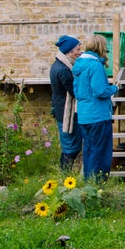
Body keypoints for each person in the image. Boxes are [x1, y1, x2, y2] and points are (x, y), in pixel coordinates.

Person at [72, 34, 119, 181]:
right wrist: (113, 88)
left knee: (89, 150)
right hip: (98, 115)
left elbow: (76, 91)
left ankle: (88, 182)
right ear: (101, 47)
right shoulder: (95, 66)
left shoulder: (78, 65)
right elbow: (100, 91)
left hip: (84, 115)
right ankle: (98, 183)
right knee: (101, 152)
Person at [49, 35, 83, 172]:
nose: (80, 52)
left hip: (61, 109)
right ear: (69, 51)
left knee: (70, 145)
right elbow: (74, 91)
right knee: (71, 147)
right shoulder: (63, 69)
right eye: (78, 49)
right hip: (65, 112)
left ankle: (65, 174)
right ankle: (65, 175)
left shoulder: (59, 64)